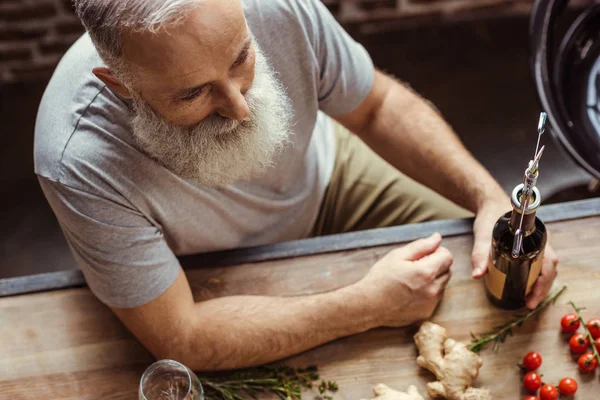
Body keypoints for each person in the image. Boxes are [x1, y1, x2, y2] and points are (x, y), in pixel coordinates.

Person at [34, 0, 558, 371]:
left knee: (490, 267)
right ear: (121, 85)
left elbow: (376, 107)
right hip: (204, 272)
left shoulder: (279, 8)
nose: (240, 107)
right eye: (193, 93)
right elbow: (183, 338)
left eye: (241, 57)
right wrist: (368, 305)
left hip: (333, 176)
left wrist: (489, 198)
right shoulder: (74, 158)